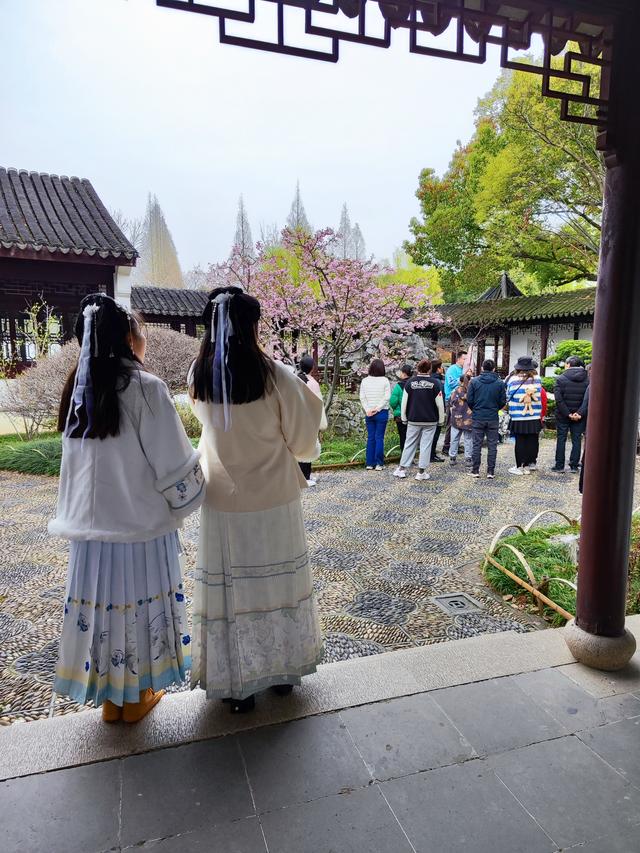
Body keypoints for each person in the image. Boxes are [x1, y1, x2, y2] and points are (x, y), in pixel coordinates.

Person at [50, 294, 204, 723]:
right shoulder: (143, 387)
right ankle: (137, 697)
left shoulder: (75, 393)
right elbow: (174, 464)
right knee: (138, 607)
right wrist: (196, 489)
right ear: (125, 338)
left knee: (102, 609)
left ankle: (111, 701)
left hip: (90, 535)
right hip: (140, 530)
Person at [189, 287, 325, 714]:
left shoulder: (199, 374)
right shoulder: (277, 376)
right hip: (273, 498)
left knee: (231, 587)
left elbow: (209, 427)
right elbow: (304, 443)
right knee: (277, 583)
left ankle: (236, 686)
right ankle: (282, 671)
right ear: (252, 326)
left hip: (222, 500)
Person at [393, 359, 445, 481]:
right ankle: (421, 472)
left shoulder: (409, 383)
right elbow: (440, 404)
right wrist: (441, 420)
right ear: (429, 369)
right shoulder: (435, 383)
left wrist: (404, 418)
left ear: (417, 369)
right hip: (430, 420)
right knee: (426, 445)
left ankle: (402, 469)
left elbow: (404, 402)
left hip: (413, 419)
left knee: (409, 443)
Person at [466, 358, 506, 479]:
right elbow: (502, 401)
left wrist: (475, 408)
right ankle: (490, 471)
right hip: (493, 416)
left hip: (478, 416)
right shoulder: (499, 383)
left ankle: (475, 470)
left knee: (476, 444)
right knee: (492, 444)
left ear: (482, 368)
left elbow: (469, 400)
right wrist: (495, 409)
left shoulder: (474, 381)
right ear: (494, 369)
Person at [505, 356, 544, 475]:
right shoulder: (537, 379)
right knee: (532, 440)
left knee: (520, 441)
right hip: (534, 415)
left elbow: (508, 395)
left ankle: (519, 467)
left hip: (518, 416)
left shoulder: (512, 380)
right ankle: (529, 465)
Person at [552, 356, 590, 473]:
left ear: (568, 364)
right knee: (577, 439)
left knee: (561, 438)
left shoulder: (560, 379)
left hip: (563, 415)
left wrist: (568, 414)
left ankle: (559, 465)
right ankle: (574, 465)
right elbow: (588, 399)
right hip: (580, 416)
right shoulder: (588, 379)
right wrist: (579, 413)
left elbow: (559, 400)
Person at [296, 354, 328, 486]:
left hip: (296, 419)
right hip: (309, 420)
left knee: (297, 446)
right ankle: (306, 476)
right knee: (308, 447)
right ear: (312, 368)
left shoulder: (295, 380)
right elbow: (318, 406)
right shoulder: (313, 384)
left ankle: (299, 476)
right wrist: (322, 423)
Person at [359, 358, 391, 470]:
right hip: (381, 412)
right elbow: (387, 397)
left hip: (369, 413)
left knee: (371, 437)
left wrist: (368, 409)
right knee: (379, 438)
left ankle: (369, 463)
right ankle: (379, 463)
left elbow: (362, 397)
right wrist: (377, 409)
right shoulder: (385, 380)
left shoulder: (365, 381)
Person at [442, 350, 467, 456]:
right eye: (464, 359)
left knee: (459, 422)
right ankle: (446, 446)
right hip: (451, 399)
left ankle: (454, 446)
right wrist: (463, 379)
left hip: (461, 399)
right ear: (458, 359)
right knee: (450, 422)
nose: (466, 361)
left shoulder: (463, 369)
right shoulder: (452, 369)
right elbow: (451, 383)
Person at [448, 372, 474, 469]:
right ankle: (468, 458)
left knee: (454, 438)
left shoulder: (455, 391)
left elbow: (451, 402)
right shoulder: (471, 392)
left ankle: (452, 457)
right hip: (468, 418)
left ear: (460, 381)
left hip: (456, 418)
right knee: (468, 439)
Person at [389, 363, 413, 451]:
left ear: (403, 373)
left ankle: (404, 457)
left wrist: (396, 408)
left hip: (400, 416)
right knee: (412, 438)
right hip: (413, 415)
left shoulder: (399, 386)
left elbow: (393, 402)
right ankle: (412, 456)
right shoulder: (414, 384)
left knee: (403, 437)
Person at [429, 359, 446, 462]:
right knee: (435, 435)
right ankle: (432, 455)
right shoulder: (438, 381)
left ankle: (429, 454)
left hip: (427, 411)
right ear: (438, 369)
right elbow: (440, 398)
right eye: (441, 367)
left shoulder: (430, 379)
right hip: (435, 411)